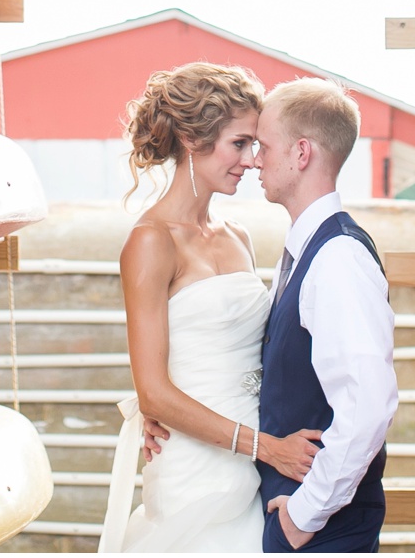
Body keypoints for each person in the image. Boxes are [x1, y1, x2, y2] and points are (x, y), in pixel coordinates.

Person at [100, 63, 324, 552]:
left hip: (256, 463)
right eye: (239, 143)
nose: (251, 160)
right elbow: (155, 393)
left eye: (256, 146)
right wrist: (268, 447)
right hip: (198, 465)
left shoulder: (238, 236)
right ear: (190, 138)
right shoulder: (150, 242)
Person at [253, 79, 399, 552]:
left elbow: (367, 405)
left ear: (300, 153)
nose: (256, 159)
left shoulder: (338, 259)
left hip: (321, 532)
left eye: (264, 146)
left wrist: (303, 514)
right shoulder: (307, 251)